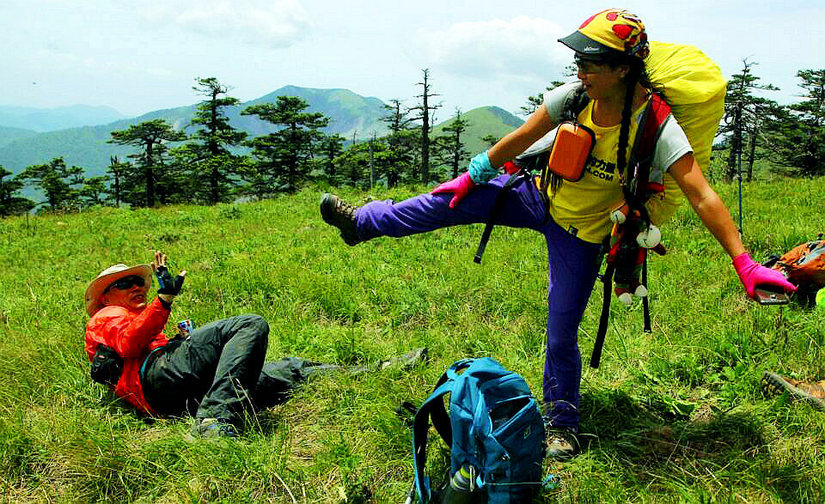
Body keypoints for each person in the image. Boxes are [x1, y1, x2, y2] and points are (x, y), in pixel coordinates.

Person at [320, 9, 797, 459]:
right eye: (579, 61)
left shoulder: (656, 125)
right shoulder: (572, 96)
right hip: (537, 195)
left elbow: (702, 195)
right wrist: (473, 175)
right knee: (447, 202)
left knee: (561, 328)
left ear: (624, 69)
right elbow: (523, 137)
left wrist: (744, 263)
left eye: (591, 63)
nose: (581, 70)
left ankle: (562, 422)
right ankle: (360, 223)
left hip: (583, 236)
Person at [84, 251, 426, 438]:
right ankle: (213, 420)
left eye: (138, 281)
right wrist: (164, 300)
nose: (136, 287)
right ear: (105, 296)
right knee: (249, 324)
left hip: (178, 392)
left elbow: (142, 338)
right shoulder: (106, 315)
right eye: (125, 283)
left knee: (292, 368)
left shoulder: (140, 314)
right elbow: (129, 345)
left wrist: (174, 327)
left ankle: (375, 369)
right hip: (155, 378)